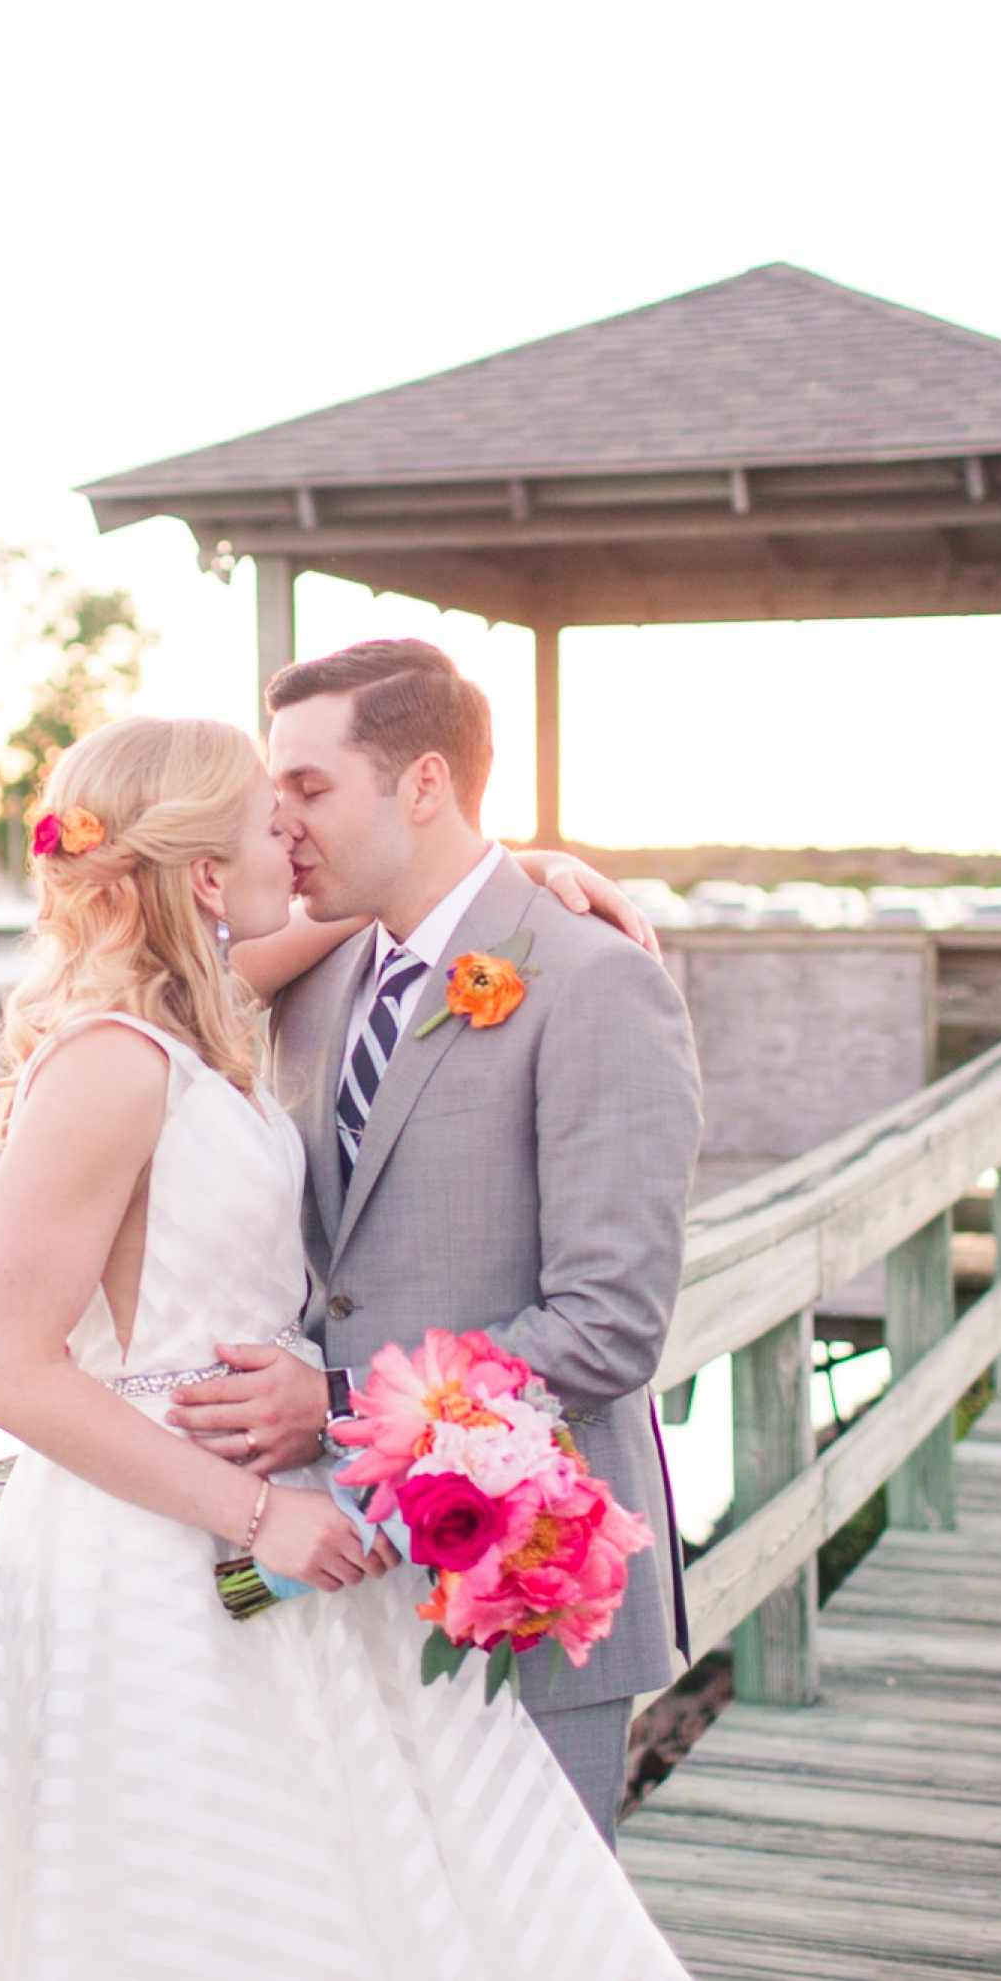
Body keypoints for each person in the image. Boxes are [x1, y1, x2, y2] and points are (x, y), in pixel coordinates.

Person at [0, 713, 688, 1980]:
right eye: (262, 812)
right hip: (160, 1540)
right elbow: (5, 1369)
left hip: (278, 1530)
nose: (287, 834)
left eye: (299, 802)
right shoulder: (110, 1062)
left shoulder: (202, 1015)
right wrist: (255, 1516)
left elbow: (405, 908)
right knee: (195, 1906)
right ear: (199, 869)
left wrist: (541, 881)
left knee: (350, 1890)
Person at [169, 641, 703, 1848]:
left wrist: (340, 1402)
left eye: (309, 789)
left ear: (421, 784)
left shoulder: (590, 979)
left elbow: (609, 1324)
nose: (281, 821)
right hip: (335, 1587)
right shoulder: (315, 971)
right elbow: (137, 978)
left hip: (530, 1578)